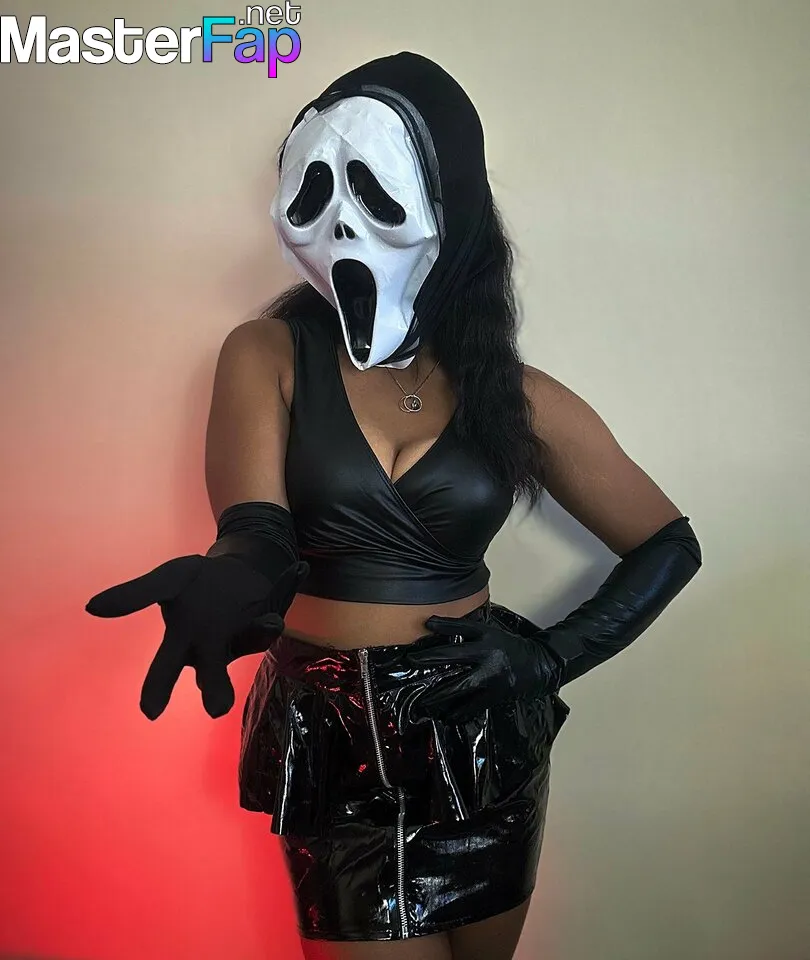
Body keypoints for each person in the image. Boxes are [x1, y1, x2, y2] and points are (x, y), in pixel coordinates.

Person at [86, 52, 702, 960]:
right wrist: (233, 578)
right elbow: (257, 529)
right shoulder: (269, 353)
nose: (341, 222)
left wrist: (547, 658)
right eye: (314, 191)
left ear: (449, 206)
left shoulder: (512, 395)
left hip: (480, 739)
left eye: (375, 190)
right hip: (332, 738)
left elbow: (668, 543)